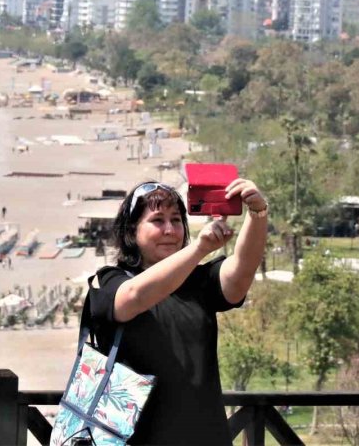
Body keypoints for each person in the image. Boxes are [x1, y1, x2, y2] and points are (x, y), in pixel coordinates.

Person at [88, 178, 268, 445]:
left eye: (176, 220)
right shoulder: (110, 281)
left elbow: (241, 272)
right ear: (131, 232)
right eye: (158, 221)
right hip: (133, 439)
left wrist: (258, 214)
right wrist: (200, 248)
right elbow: (134, 297)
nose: (170, 230)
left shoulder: (198, 281)